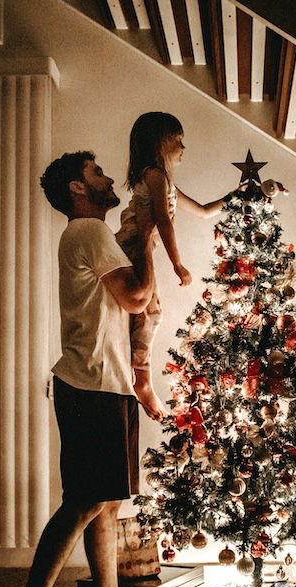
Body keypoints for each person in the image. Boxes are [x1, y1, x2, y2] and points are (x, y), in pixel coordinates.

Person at [11, 151, 165, 587]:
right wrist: (146, 235)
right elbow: (138, 297)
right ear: (78, 188)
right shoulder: (88, 232)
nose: (105, 179)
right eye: (96, 173)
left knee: (105, 498)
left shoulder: (88, 237)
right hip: (92, 383)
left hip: (106, 382)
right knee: (83, 499)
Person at [116, 111, 226, 421]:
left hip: (137, 251)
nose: (183, 148)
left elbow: (204, 211)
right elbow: (162, 221)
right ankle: (142, 382)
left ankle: (140, 379)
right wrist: (178, 264)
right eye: (178, 141)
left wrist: (237, 196)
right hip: (130, 249)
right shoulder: (155, 175)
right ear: (161, 143)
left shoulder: (164, 181)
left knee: (147, 313)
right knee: (149, 312)